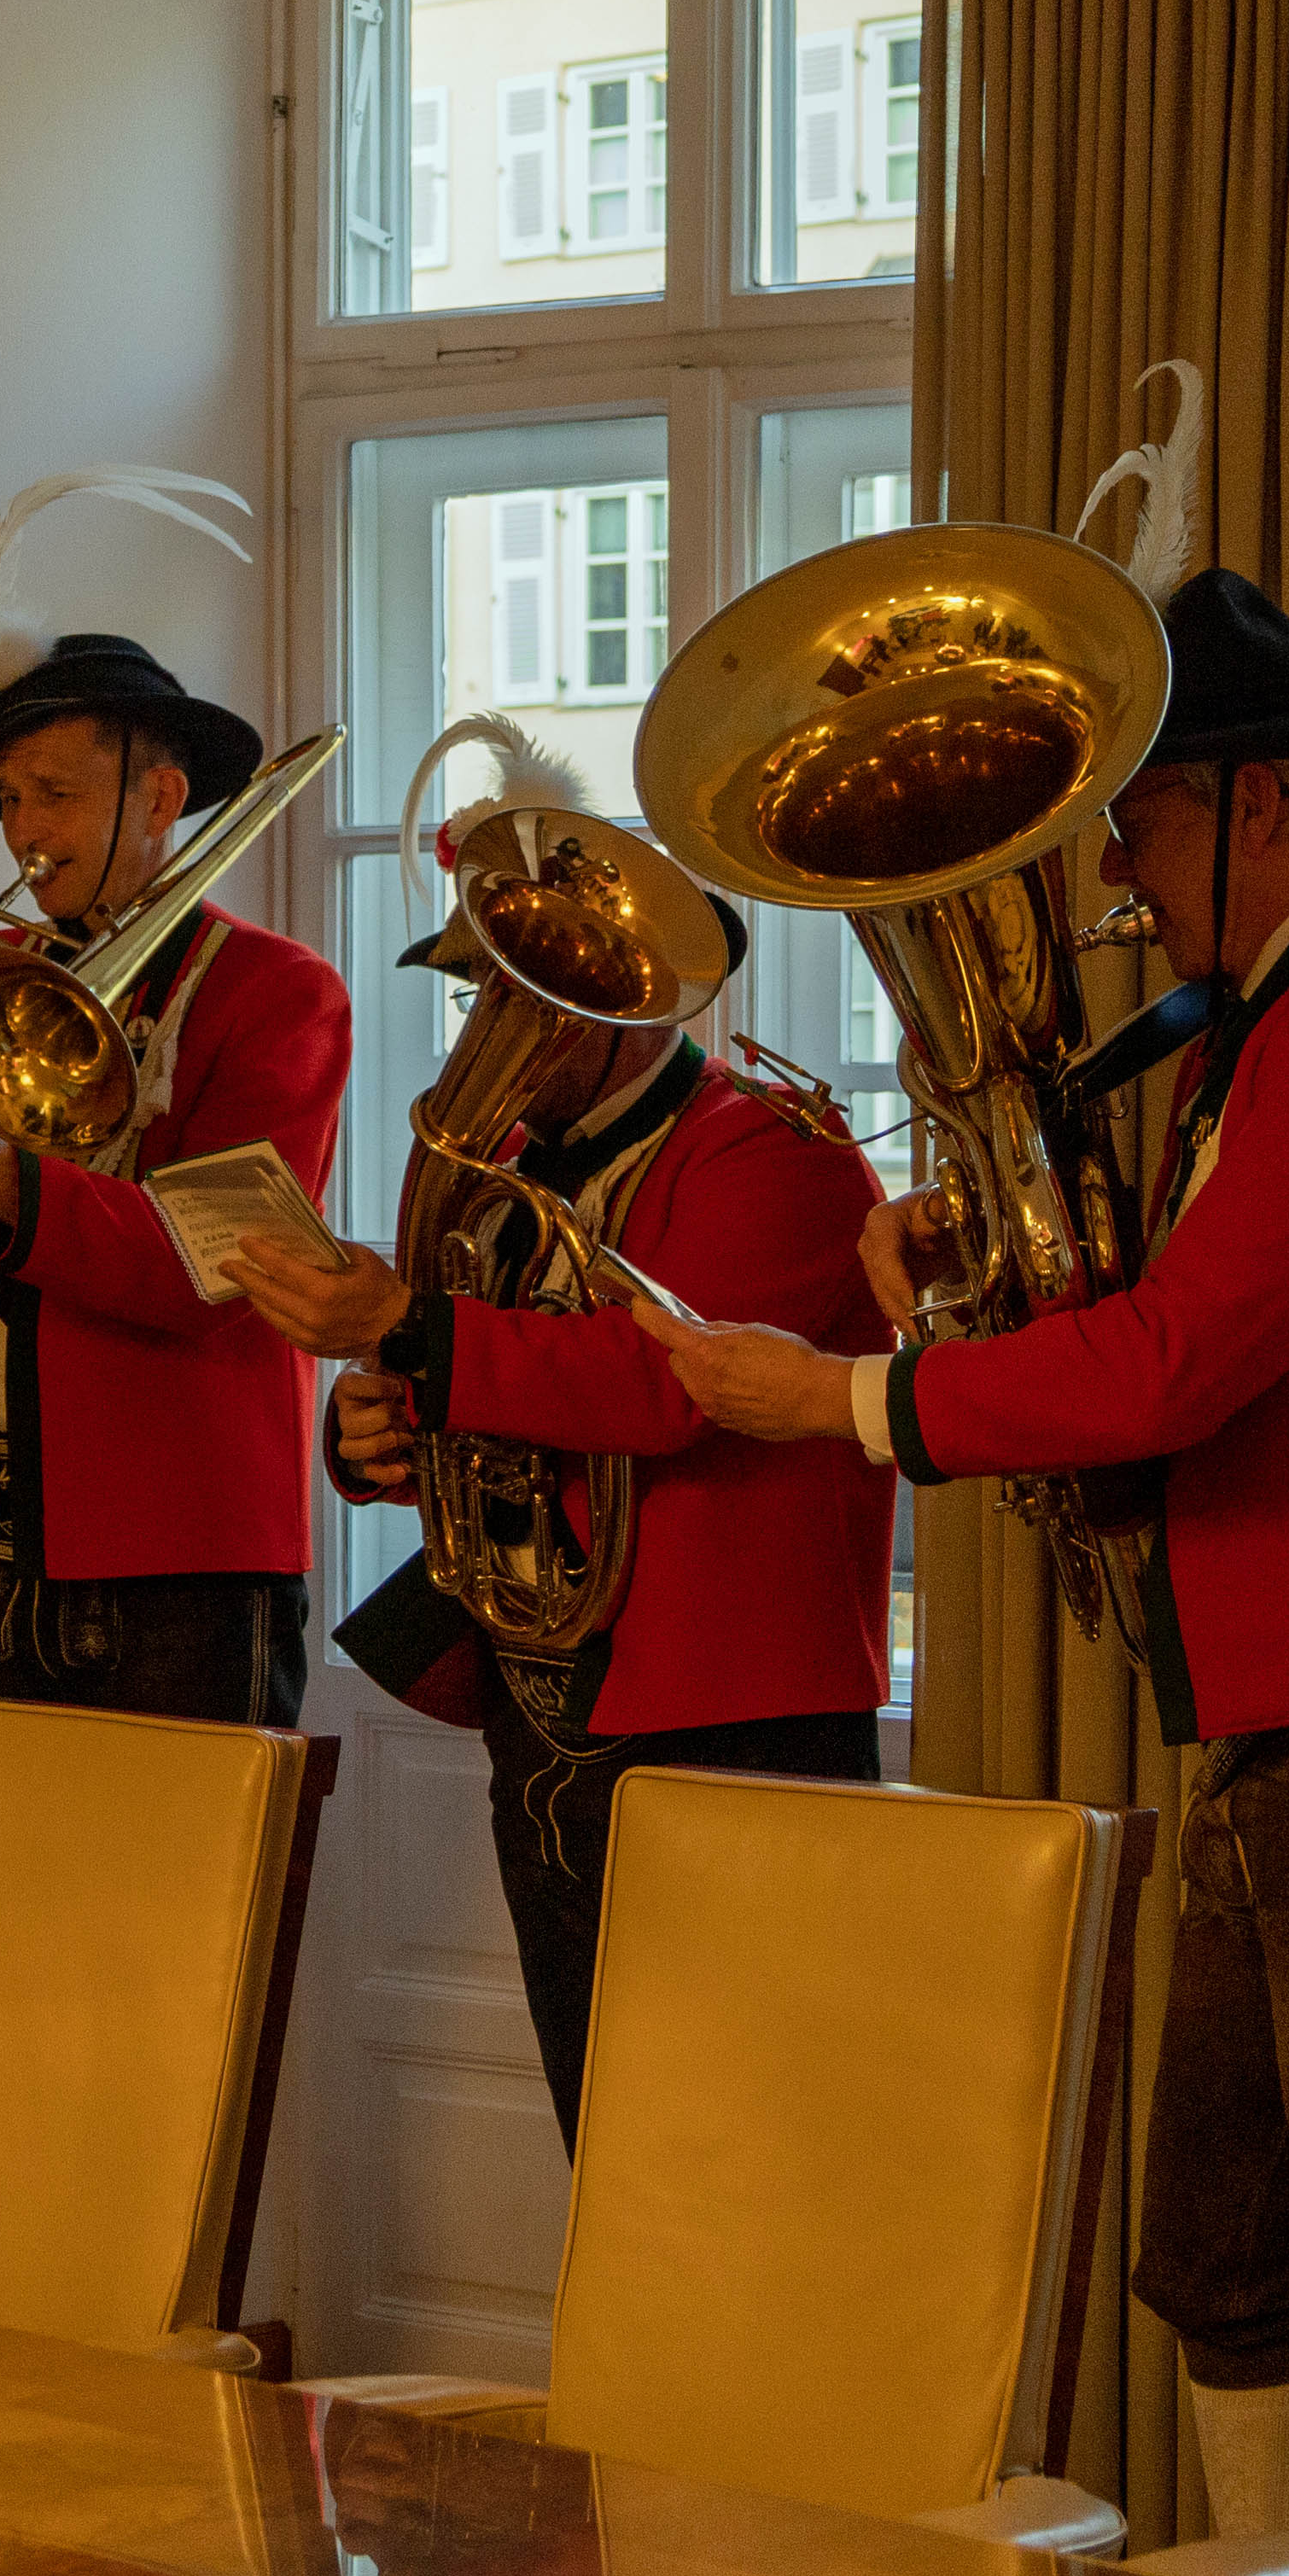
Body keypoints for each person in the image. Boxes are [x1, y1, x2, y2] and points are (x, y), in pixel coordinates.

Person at [651, 569, 1289, 2543]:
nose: (1105, 856)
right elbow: (1193, 1302)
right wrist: (969, 1279)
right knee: (1228, 2260)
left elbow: (1187, 1359)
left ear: (1256, 805)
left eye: (1140, 811)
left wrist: (852, 1400)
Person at [229, 752, 895, 2148]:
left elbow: (662, 1386)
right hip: (547, 1700)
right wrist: (377, 1431)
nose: (491, 1026)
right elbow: (472, 1381)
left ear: (633, 999)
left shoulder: (777, 1151)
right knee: (601, 2127)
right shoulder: (504, 1168)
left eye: (524, 993)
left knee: (746, 2134)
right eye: (479, 992)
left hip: (729, 1714)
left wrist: (413, 1327)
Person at [0, 623, 347, 1723]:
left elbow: (212, 1271)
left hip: (182, 1551)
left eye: (52, 793)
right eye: (7, 800)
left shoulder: (276, 992)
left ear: (157, 803)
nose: (23, 835)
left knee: (179, 1893)